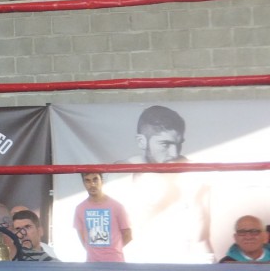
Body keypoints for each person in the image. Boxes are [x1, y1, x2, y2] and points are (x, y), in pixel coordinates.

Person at [119, 105, 211, 262]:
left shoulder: (194, 175)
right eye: (165, 144)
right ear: (142, 141)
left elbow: (202, 239)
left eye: (178, 144)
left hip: (184, 264)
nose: (174, 153)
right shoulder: (122, 174)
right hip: (141, 263)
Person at [74, 173, 131, 262]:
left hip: (115, 264)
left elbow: (128, 235)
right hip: (92, 264)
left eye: (95, 179)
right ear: (83, 183)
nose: (92, 184)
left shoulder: (117, 206)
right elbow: (83, 238)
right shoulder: (80, 208)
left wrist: (113, 250)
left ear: (102, 181)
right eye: (87, 180)